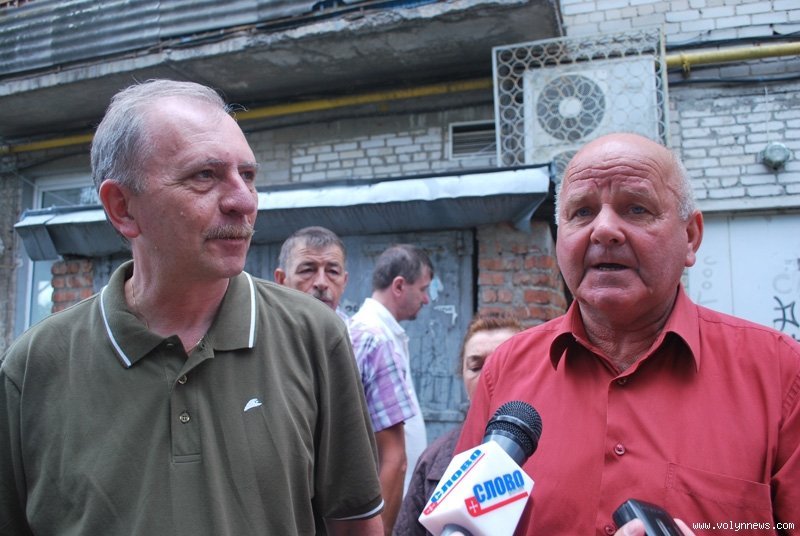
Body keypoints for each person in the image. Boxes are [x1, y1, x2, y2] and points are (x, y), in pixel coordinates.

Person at [0, 80, 383, 535]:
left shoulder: (313, 335)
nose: (243, 201)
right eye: (204, 175)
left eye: (248, 175)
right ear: (122, 208)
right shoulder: (33, 368)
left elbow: (356, 525)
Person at [455, 132, 800, 536]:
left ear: (690, 236)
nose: (604, 230)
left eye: (636, 208)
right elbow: (462, 525)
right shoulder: (506, 371)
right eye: (582, 212)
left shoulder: (780, 374)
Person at [394, 312, 523, 536]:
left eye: (503, 363)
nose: (488, 377)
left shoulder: (561, 450)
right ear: (461, 375)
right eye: (476, 366)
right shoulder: (434, 461)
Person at [349, 244, 434, 535]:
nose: (426, 299)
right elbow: (388, 454)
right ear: (399, 286)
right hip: (385, 513)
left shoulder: (384, 334)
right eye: (423, 289)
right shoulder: (374, 338)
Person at [274, 225, 349, 321]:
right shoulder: (261, 328)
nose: (321, 283)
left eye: (332, 272)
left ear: (344, 282)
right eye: (307, 270)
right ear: (281, 280)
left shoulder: (355, 330)